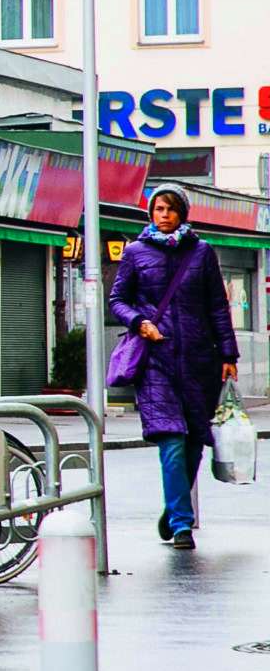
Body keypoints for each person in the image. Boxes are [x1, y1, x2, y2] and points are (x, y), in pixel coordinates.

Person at [108, 184, 239, 549]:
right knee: (171, 439)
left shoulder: (202, 253)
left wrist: (228, 355)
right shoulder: (135, 253)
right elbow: (118, 300)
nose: (163, 215)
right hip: (155, 360)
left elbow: (217, 306)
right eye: (157, 209)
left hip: (200, 359)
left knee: (195, 439)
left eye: (169, 209)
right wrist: (139, 321)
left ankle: (173, 506)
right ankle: (183, 524)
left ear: (182, 212)